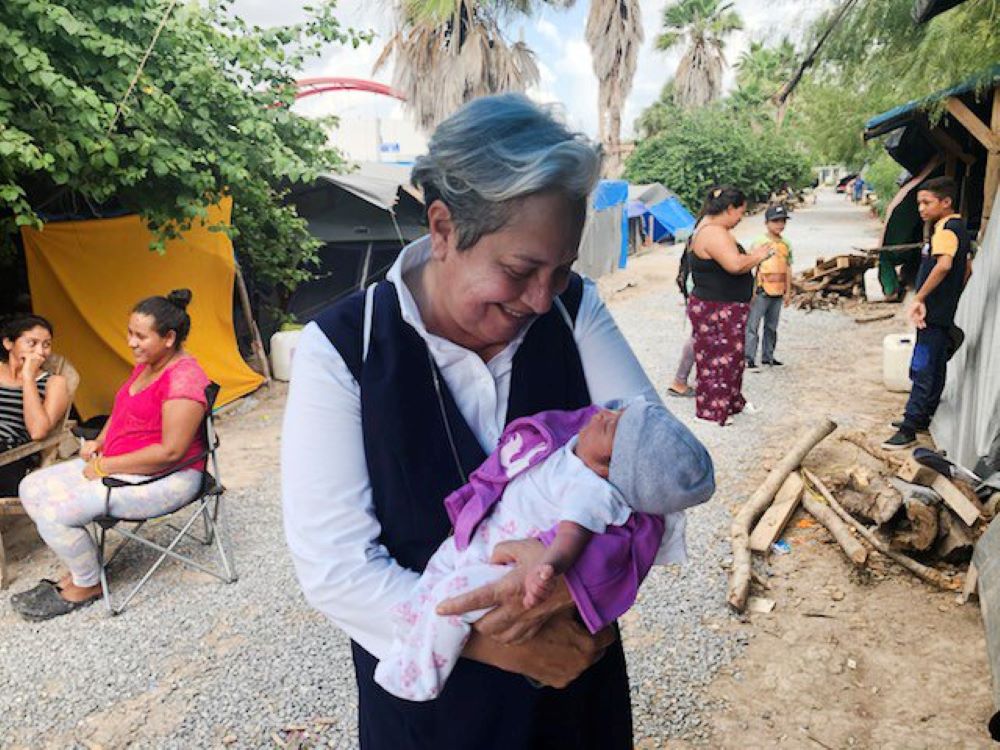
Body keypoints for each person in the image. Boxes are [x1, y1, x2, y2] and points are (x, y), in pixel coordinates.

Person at [281, 93, 714, 749]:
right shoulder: (345, 348)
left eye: (562, 269)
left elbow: (658, 474)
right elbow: (336, 568)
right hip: (435, 716)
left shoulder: (576, 313)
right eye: (520, 270)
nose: (542, 297)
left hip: (577, 690)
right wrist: (503, 646)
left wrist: (576, 579)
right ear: (444, 228)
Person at [373, 400, 713, 701]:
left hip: (507, 561)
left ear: (611, 466)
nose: (603, 413)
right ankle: (412, 622)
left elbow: (570, 536)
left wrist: (548, 568)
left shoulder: (590, 490)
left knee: (452, 597)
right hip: (485, 538)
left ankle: (420, 677)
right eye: (617, 412)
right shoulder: (577, 451)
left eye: (611, 424)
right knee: (440, 566)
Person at [11, 290, 210, 621]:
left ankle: (88, 583)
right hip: (121, 464)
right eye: (130, 332)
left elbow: (171, 451)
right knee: (31, 486)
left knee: (57, 511)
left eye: (140, 336)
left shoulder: (183, 379)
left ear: (169, 338)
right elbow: (121, 411)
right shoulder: (147, 365)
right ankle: (84, 568)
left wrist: (106, 465)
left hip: (169, 476)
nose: (131, 342)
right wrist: (100, 442)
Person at [883, 177, 972, 450]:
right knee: (935, 366)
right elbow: (967, 269)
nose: (921, 208)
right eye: (919, 202)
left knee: (922, 367)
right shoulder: (960, 228)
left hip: (932, 313)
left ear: (945, 202)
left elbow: (944, 265)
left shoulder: (945, 230)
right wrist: (952, 295)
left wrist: (921, 297)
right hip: (942, 311)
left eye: (927, 202)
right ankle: (923, 416)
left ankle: (909, 428)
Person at [687, 187, 772, 426]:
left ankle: (732, 402)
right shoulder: (713, 232)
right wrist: (758, 256)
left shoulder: (716, 229)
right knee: (717, 359)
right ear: (729, 209)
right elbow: (734, 264)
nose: (740, 219)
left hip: (725, 305)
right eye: (740, 213)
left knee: (733, 358)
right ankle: (709, 412)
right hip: (716, 307)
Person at [0, 315, 70, 495]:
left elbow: (38, 431)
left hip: (11, 455)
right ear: (8, 343)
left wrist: (28, 379)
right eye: (32, 343)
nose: (41, 351)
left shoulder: (54, 383)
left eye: (46, 344)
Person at [745, 204, 794, 369]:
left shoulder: (786, 244)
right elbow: (751, 265)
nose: (780, 225)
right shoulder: (760, 242)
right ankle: (749, 357)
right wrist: (750, 291)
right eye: (775, 221)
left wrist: (788, 291)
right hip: (761, 290)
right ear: (767, 223)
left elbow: (788, 267)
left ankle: (768, 356)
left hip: (778, 291)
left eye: (782, 221)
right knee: (753, 325)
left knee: (772, 326)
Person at [668, 247, 696, 398]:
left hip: (696, 295)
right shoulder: (704, 237)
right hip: (700, 296)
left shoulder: (698, 236)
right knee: (697, 338)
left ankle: (682, 380)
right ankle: (679, 381)